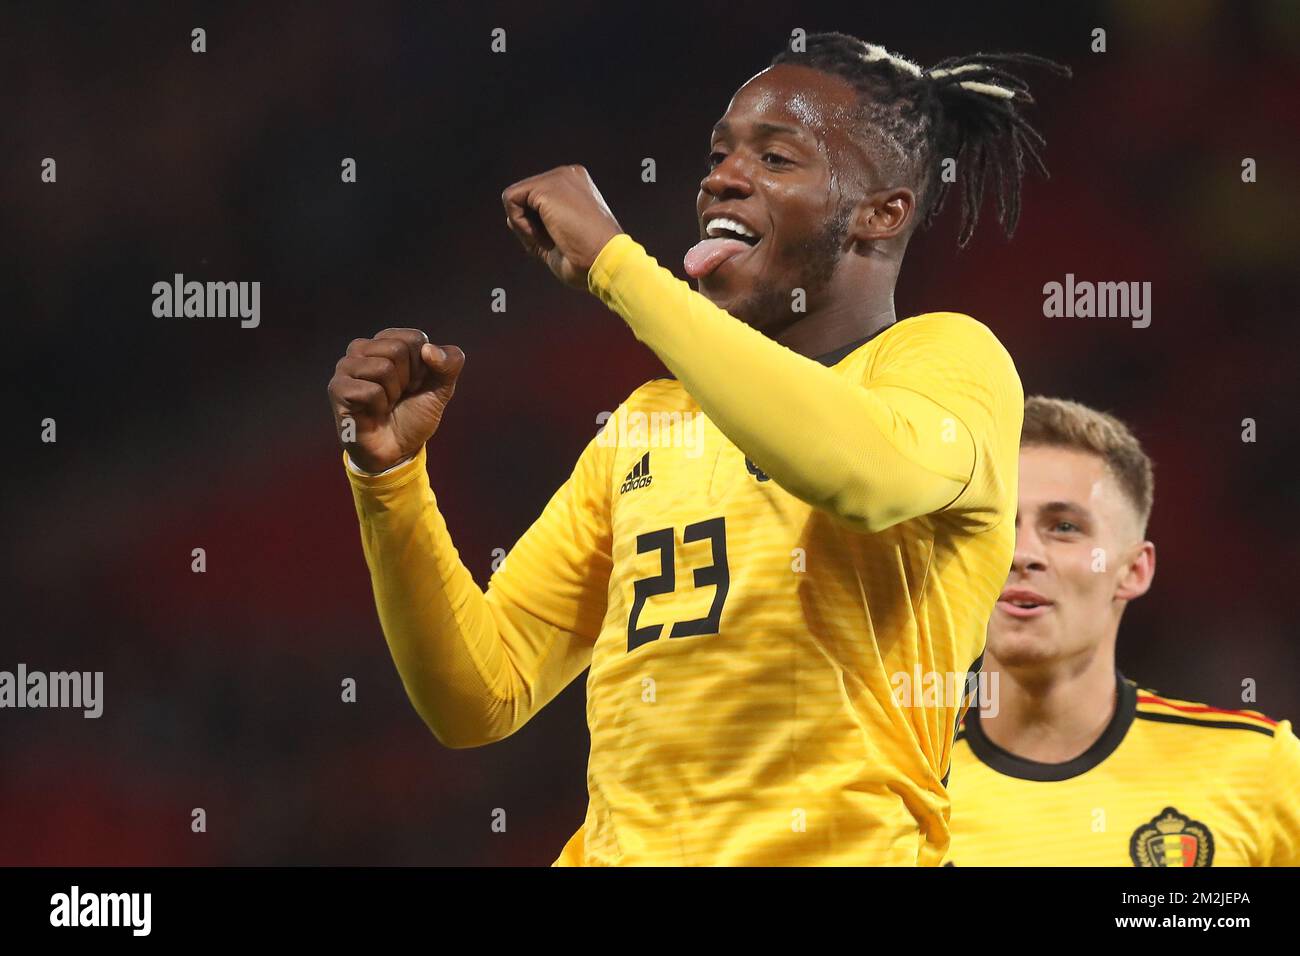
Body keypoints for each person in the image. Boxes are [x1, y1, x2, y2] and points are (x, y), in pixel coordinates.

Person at [328, 32, 1068, 865]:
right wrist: (388, 480)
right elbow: (479, 694)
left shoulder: (943, 362)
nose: (722, 175)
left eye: (776, 158)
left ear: (880, 213)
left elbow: (858, 476)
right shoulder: (648, 421)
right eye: (719, 153)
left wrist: (618, 267)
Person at [947, 396, 1300, 866]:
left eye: (1064, 526)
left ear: (1134, 569)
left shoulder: (1260, 771)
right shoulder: (896, 780)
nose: (1021, 552)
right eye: (997, 525)